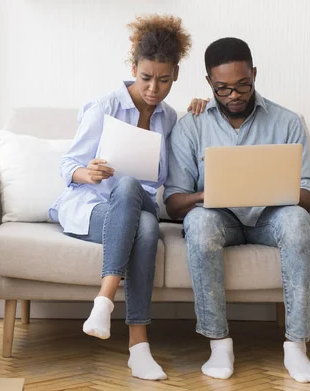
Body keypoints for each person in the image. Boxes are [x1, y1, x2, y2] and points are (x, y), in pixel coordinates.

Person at [49, 15, 207, 381]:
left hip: (139, 203)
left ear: (176, 75)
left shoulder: (169, 118)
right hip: (95, 207)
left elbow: (165, 175)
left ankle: (104, 302)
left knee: (132, 188)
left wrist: (203, 107)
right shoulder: (104, 107)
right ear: (134, 68)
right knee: (144, 224)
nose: (154, 88)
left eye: (164, 80)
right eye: (146, 77)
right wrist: (86, 172)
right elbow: (68, 163)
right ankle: (138, 346)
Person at [164, 37, 310, 384]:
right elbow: (174, 203)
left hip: (271, 217)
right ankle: (219, 343)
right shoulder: (192, 125)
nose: (233, 95)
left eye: (242, 85)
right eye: (222, 89)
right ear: (209, 83)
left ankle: (296, 346)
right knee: (200, 224)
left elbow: (308, 196)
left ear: (254, 74)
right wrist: (210, 194)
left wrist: (272, 190)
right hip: (218, 217)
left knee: (298, 222)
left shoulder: (287, 121)